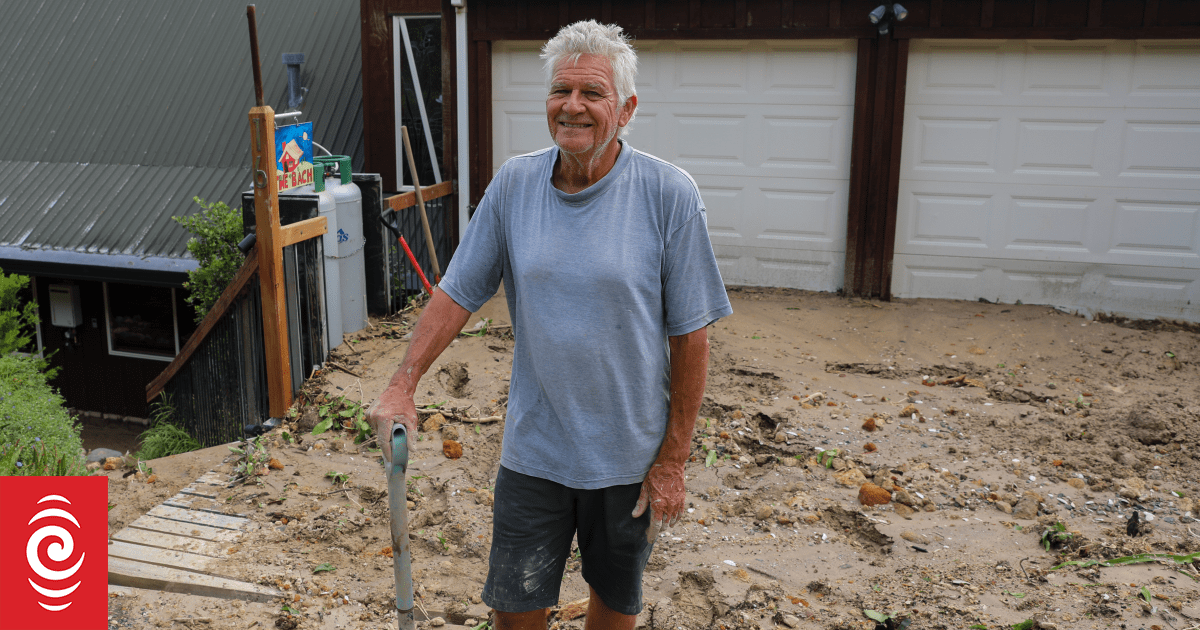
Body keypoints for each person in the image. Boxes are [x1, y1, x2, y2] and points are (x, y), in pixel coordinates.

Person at [368, 19, 732, 630]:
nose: (573, 107)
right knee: (513, 612)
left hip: (628, 463)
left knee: (613, 613)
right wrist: (403, 381)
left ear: (626, 108)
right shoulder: (515, 184)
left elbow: (689, 336)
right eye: (561, 91)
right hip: (534, 455)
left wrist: (673, 458)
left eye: (592, 93)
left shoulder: (668, 195)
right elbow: (457, 293)